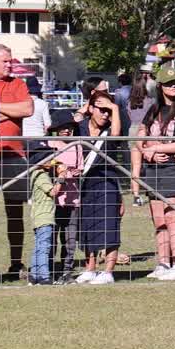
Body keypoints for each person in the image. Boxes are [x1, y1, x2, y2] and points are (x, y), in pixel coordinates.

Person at [132, 66, 175, 281]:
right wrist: (147, 152)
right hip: (153, 169)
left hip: (173, 168)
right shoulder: (153, 110)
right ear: (160, 86)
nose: (173, 86)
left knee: (172, 218)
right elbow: (140, 136)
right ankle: (162, 263)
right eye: (168, 84)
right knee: (158, 219)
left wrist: (155, 148)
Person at [0, 44, 34, 280]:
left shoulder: (18, 84)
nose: (10, 64)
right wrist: (8, 111)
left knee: (15, 214)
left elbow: (27, 108)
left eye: (11, 60)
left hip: (14, 157)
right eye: (5, 61)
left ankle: (16, 263)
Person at [75, 90, 123, 285]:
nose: (105, 114)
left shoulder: (112, 127)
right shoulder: (79, 128)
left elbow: (116, 136)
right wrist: (83, 109)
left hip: (107, 182)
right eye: (101, 110)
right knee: (86, 225)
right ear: (91, 108)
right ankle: (90, 268)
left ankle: (108, 271)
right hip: (84, 183)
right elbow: (62, 124)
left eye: (108, 111)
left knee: (109, 224)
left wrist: (115, 108)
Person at [44, 110, 82, 282]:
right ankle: (51, 269)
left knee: (69, 238)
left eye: (69, 128)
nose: (66, 131)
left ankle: (67, 269)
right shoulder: (49, 144)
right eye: (62, 128)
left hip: (72, 199)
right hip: (53, 199)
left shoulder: (77, 145)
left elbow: (80, 169)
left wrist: (73, 172)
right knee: (51, 236)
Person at [26, 143, 63, 285]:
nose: (52, 161)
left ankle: (34, 275)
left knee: (38, 246)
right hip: (44, 217)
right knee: (44, 247)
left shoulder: (37, 174)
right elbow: (53, 192)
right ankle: (44, 276)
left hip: (39, 217)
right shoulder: (40, 175)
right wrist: (61, 176)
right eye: (49, 159)